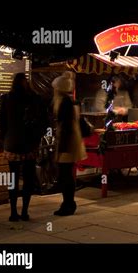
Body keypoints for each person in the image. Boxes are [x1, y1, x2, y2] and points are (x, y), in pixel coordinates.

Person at [0, 73, 46, 222]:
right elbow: (44, 121)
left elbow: (1, 123)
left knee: (13, 178)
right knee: (28, 179)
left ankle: (13, 212)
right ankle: (25, 211)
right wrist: (37, 137)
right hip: (30, 145)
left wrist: (4, 139)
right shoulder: (36, 99)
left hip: (12, 143)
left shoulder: (6, 99)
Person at [52, 71, 87, 216]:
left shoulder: (64, 102)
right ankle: (68, 203)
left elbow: (65, 125)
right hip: (71, 141)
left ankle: (68, 204)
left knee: (64, 175)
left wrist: (63, 148)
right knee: (66, 174)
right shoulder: (70, 100)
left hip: (68, 143)